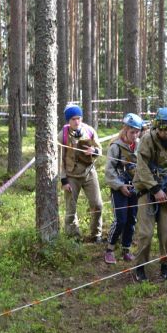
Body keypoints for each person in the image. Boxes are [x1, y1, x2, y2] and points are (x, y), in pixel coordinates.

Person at [132, 107, 167, 282]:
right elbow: (142, 167)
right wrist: (155, 189)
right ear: (156, 126)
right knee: (145, 233)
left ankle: (165, 266)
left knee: (166, 233)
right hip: (146, 189)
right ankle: (140, 267)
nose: (164, 133)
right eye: (161, 129)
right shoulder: (147, 139)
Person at [58, 103, 103, 242]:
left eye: (79, 118)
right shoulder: (62, 135)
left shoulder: (89, 131)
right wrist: (64, 180)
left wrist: (94, 151)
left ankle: (96, 234)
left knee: (97, 204)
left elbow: (100, 150)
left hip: (89, 172)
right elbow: (59, 160)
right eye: (73, 119)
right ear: (68, 120)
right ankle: (74, 237)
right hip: (71, 175)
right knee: (71, 208)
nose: (76, 121)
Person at [104, 113, 144, 264]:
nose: (135, 135)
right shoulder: (115, 146)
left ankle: (126, 249)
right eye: (132, 132)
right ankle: (109, 249)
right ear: (125, 129)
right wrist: (120, 186)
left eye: (137, 132)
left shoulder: (139, 145)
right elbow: (109, 171)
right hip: (119, 187)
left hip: (134, 187)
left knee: (132, 219)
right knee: (120, 219)